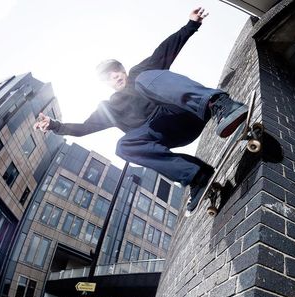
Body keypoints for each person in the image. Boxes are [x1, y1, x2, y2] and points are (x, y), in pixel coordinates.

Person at [34, 7, 248, 214]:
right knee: (123, 146)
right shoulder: (109, 107)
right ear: (105, 83)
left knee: (145, 77)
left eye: (117, 71)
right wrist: (54, 125)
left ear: (122, 70)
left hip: (185, 113)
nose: (116, 77)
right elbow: (83, 128)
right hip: (166, 134)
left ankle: (219, 103)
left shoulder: (138, 72)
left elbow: (165, 50)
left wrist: (191, 25)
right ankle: (196, 175)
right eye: (109, 77)